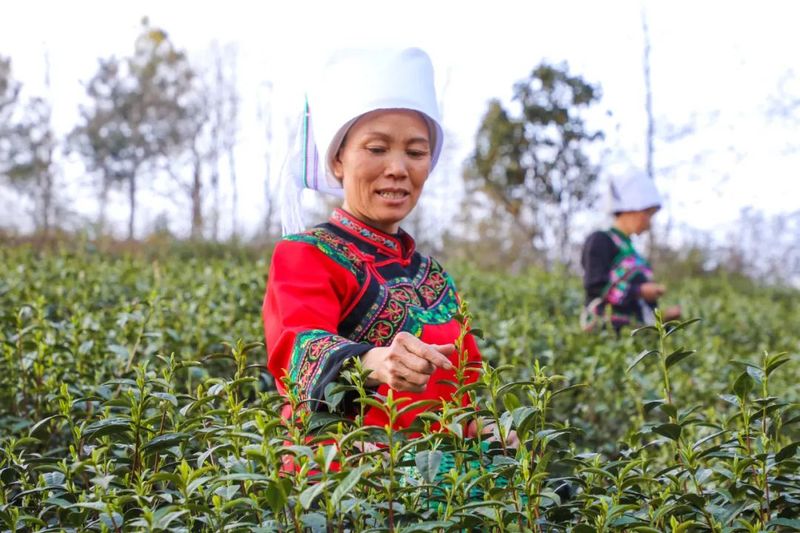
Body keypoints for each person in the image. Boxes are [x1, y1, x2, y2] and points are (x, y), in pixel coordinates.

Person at [263, 48, 497, 439]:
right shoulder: (306, 254)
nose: (398, 169)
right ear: (338, 160)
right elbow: (297, 350)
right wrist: (373, 362)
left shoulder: (434, 277)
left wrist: (489, 430)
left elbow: (462, 391)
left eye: (416, 152)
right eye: (376, 149)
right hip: (348, 467)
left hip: (440, 470)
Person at [580, 173, 681, 332]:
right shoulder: (601, 240)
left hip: (635, 335)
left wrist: (664, 316)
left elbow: (637, 308)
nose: (649, 223)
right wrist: (639, 291)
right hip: (606, 333)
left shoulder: (634, 254)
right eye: (648, 214)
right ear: (632, 208)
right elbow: (595, 286)